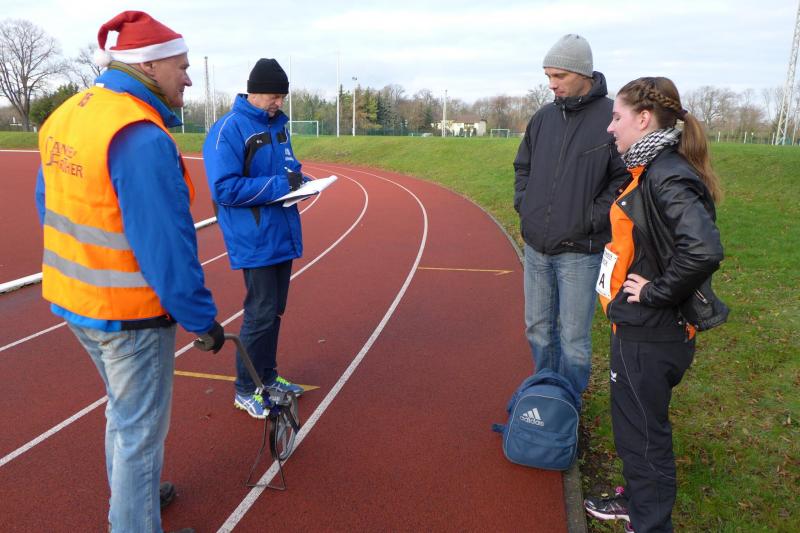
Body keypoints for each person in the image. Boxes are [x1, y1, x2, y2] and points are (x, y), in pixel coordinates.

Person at [34, 11, 224, 533]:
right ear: (150, 65)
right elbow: (167, 246)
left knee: (123, 414)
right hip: (129, 314)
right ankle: (134, 521)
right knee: (139, 429)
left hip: (76, 299)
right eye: (182, 66)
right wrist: (201, 319)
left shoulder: (69, 114)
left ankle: (134, 497)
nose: (188, 78)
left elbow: (48, 204)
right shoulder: (140, 136)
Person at [584, 77, 724, 533]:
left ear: (643, 119)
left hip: (651, 332)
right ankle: (638, 501)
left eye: (617, 117)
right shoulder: (651, 169)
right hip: (640, 327)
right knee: (636, 430)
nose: (610, 127)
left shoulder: (666, 174)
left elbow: (703, 250)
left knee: (644, 437)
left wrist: (654, 292)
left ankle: (650, 522)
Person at [513, 34, 628, 397]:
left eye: (559, 76)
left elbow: (623, 180)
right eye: (548, 76)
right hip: (537, 245)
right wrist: (525, 205)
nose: (552, 84)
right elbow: (523, 166)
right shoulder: (543, 117)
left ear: (583, 73)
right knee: (537, 329)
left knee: (573, 338)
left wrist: (590, 219)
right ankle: (545, 393)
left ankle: (570, 401)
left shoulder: (611, 118)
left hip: (580, 250)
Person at [203, 58, 307, 420]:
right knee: (260, 313)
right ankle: (246, 389)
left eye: (282, 97)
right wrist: (282, 184)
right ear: (254, 92)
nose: (279, 102)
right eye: (274, 96)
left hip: (282, 231)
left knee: (274, 311)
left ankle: (268, 377)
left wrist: (301, 180)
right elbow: (224, 188)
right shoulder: (228, 129)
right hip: (254, 236)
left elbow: (288, 168)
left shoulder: (279, 127)